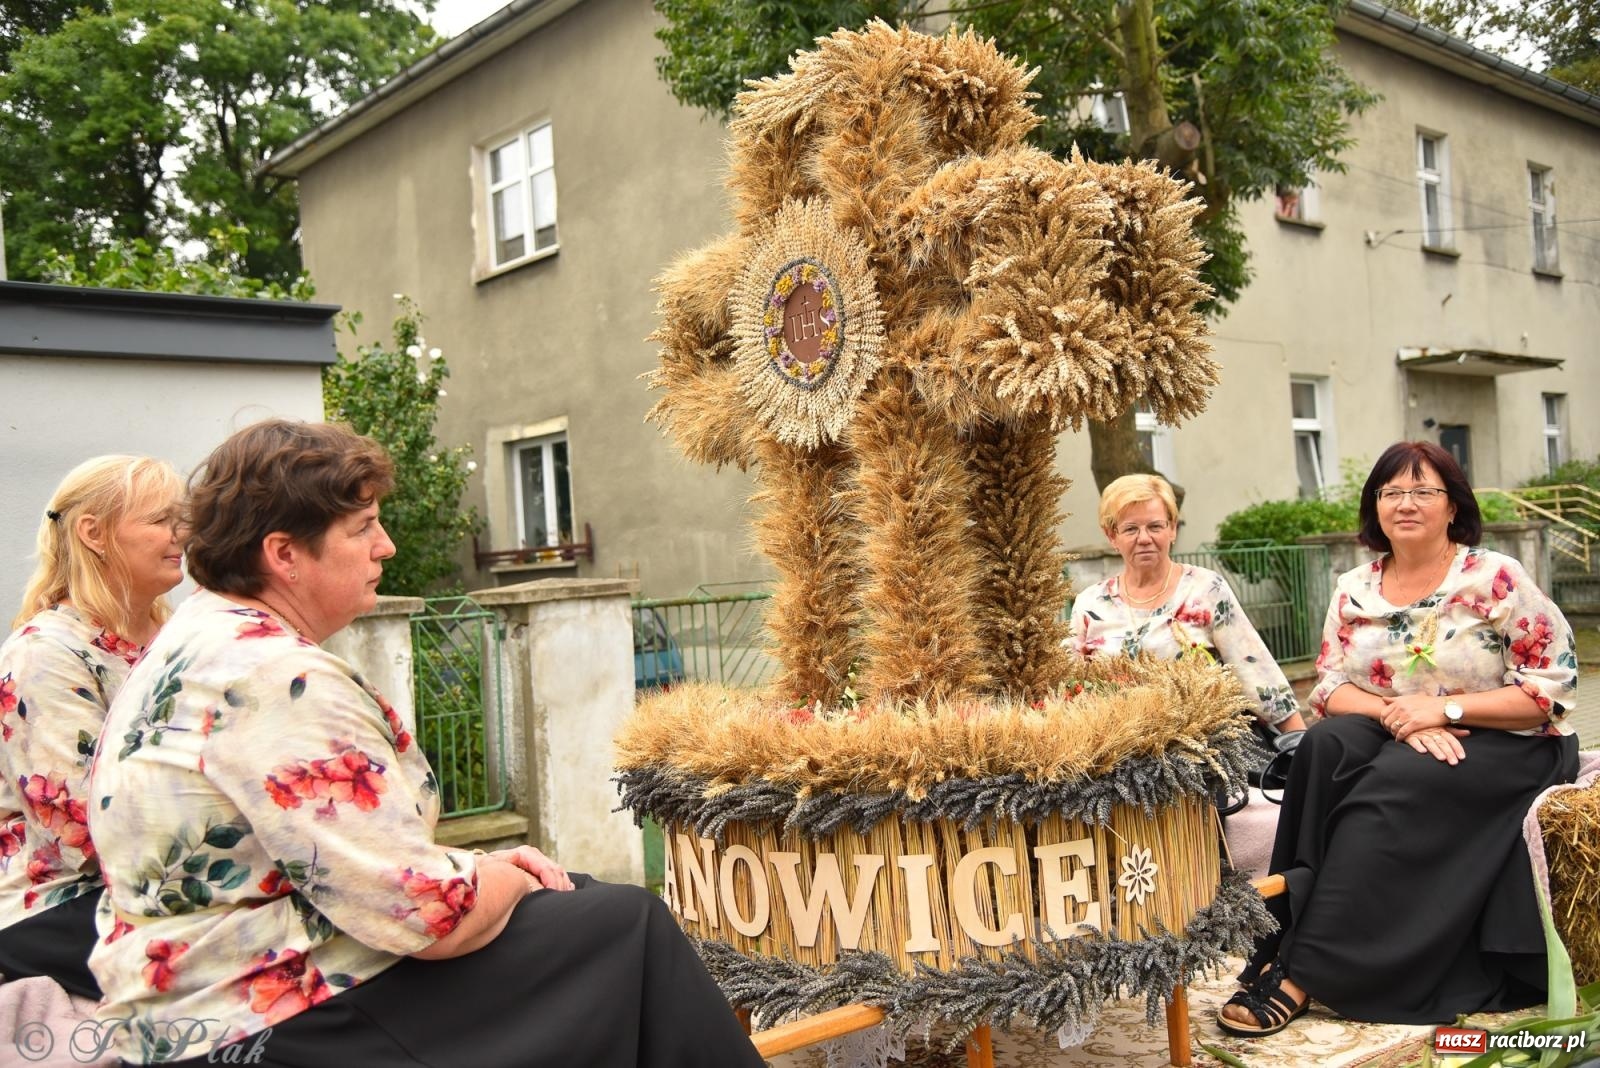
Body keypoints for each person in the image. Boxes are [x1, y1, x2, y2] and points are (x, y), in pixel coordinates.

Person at [87, 420, 763, 1068]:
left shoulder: (194, 638)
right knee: (624, 926)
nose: (385, 547)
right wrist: (504, 874)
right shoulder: (272, 675)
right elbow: (428, 918)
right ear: (284, 553)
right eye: (362, 529)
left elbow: (334, 856)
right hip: (265, 1023)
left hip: (190, 1003)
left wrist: (492, 874)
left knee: (576, 904)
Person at [1218, 441, 1579, 1036]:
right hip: (1403, 730)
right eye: (1391, 492)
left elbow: (1553, 688)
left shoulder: (1494, 578)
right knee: (1321, 748)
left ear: (1453, 506)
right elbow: (1329, 688)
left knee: (1393, 781)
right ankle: (1281, 939)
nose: (1405, 503)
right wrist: (1402, 717)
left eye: (1423, 491)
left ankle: (1304, 973)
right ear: (1375, 506)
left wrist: (1444, 709)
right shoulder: (1354, 586)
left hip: (1509, 739)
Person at [0, 455, 184, 997]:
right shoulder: (45, 655)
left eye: (183, 518)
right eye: (160, 520)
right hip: (58, 903)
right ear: (93, 533)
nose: (182, 534)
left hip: (165, 881)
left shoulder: (178, 637)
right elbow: (82, 834)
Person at [1066, 474, 1307, 735]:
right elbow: (1067, 687)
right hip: (1116, 748)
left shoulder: (1205, 588)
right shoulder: (1089, 604)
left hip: (1201, 744)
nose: (1144, 538)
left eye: (1155, 526)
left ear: (1173, 528)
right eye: (1131, 529)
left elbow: (1254, 671)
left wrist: (1302, 749)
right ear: (1112, 536)